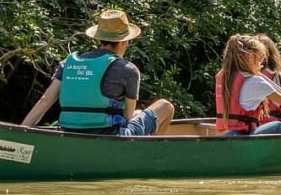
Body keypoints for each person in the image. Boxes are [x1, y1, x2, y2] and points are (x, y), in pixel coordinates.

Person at [21, 9, 174, 135]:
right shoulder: (128, 69)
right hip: (110, 136)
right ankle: (152, 157)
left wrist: (21, 131)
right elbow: (128, 117)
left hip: (68, 131)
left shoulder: (68, 63)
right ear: (124, 42)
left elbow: (44, 101)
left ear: (99, 39)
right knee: (165, 106)